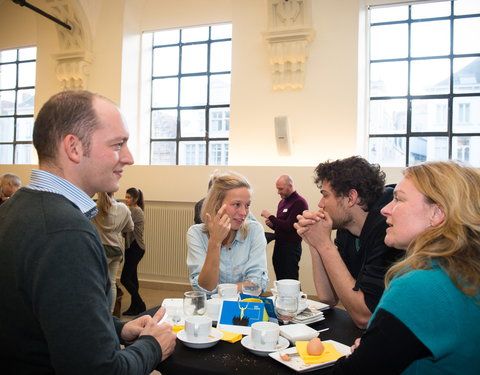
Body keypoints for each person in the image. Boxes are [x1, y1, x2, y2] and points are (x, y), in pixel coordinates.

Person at [0, 90, 175, 374]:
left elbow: (50, 319)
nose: (128, 158)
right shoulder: (65, 233)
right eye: (118, 144)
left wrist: (118, 329)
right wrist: (153, 346)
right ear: (74, 148)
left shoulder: (15, 210)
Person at [333, 161, 480, 374]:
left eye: (398, 199)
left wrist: (357, 356)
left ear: (437, 213)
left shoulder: (420, 286)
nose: (385, 209)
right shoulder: (465, 275)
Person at [295, 156, 402, 329]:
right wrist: (315, 244)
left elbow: (365, 317)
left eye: (325, 195)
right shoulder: (347, 229)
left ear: (351, 197)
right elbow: (328, 297)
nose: (320, 204)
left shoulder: (388, 231)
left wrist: (325, 245)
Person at [187, 171, 269, 296]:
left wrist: (218, 290)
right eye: (236, 204)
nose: (243, 212)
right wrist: (215, 242)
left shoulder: (254, 231)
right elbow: (205, 288)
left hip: (244, 308)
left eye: (247, 205)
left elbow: (256, 285)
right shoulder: (196, 234)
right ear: (216, 205)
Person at [91, 192, 134, 313]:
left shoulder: (94, 208)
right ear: (114, 192)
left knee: (99, 283)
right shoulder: (123, 208)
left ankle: (99, 311)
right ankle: (110, 313)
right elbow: (130, 227)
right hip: (117, 249)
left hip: (101, 248)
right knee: (112, 282)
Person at [261, 175, 308, 280]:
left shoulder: (299, 202)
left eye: (280, 189)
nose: (278, 192)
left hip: (291, 249)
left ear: (290, 186)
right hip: (279, 247)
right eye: (277, 189)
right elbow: (282, 228)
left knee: (290, 280)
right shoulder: (282, 202)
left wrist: (270, 216)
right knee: (280, 280)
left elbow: (289, 226)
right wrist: (273, 226)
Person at [121, 187, 147, 315]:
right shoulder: (130, 210)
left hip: (136, 247)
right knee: (132, 278)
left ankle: (140, 304)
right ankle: (134, 306)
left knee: (124, 279)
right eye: (125, 197)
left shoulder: (136, 211)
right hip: (131, 247)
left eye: (129, 197)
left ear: (135, 199)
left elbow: (125, 226)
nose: (126, 199)